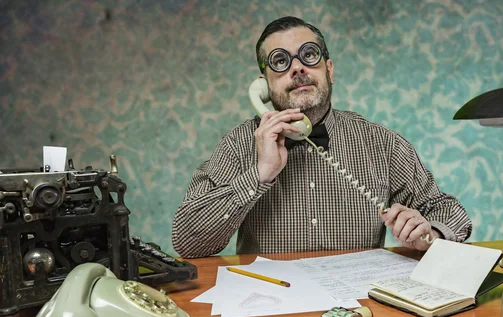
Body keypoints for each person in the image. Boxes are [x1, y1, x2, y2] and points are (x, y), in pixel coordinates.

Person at [172, 16, 472, 258]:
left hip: (359, 304)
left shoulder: (381, 143)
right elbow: (187, 241)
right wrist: (259, 175)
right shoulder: (238, 144)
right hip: (272, 308)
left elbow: (450, 211)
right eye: (280, 61)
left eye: (309, 55)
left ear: (328, 70)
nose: (298, 67)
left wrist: (429, 232)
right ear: (263, 85)